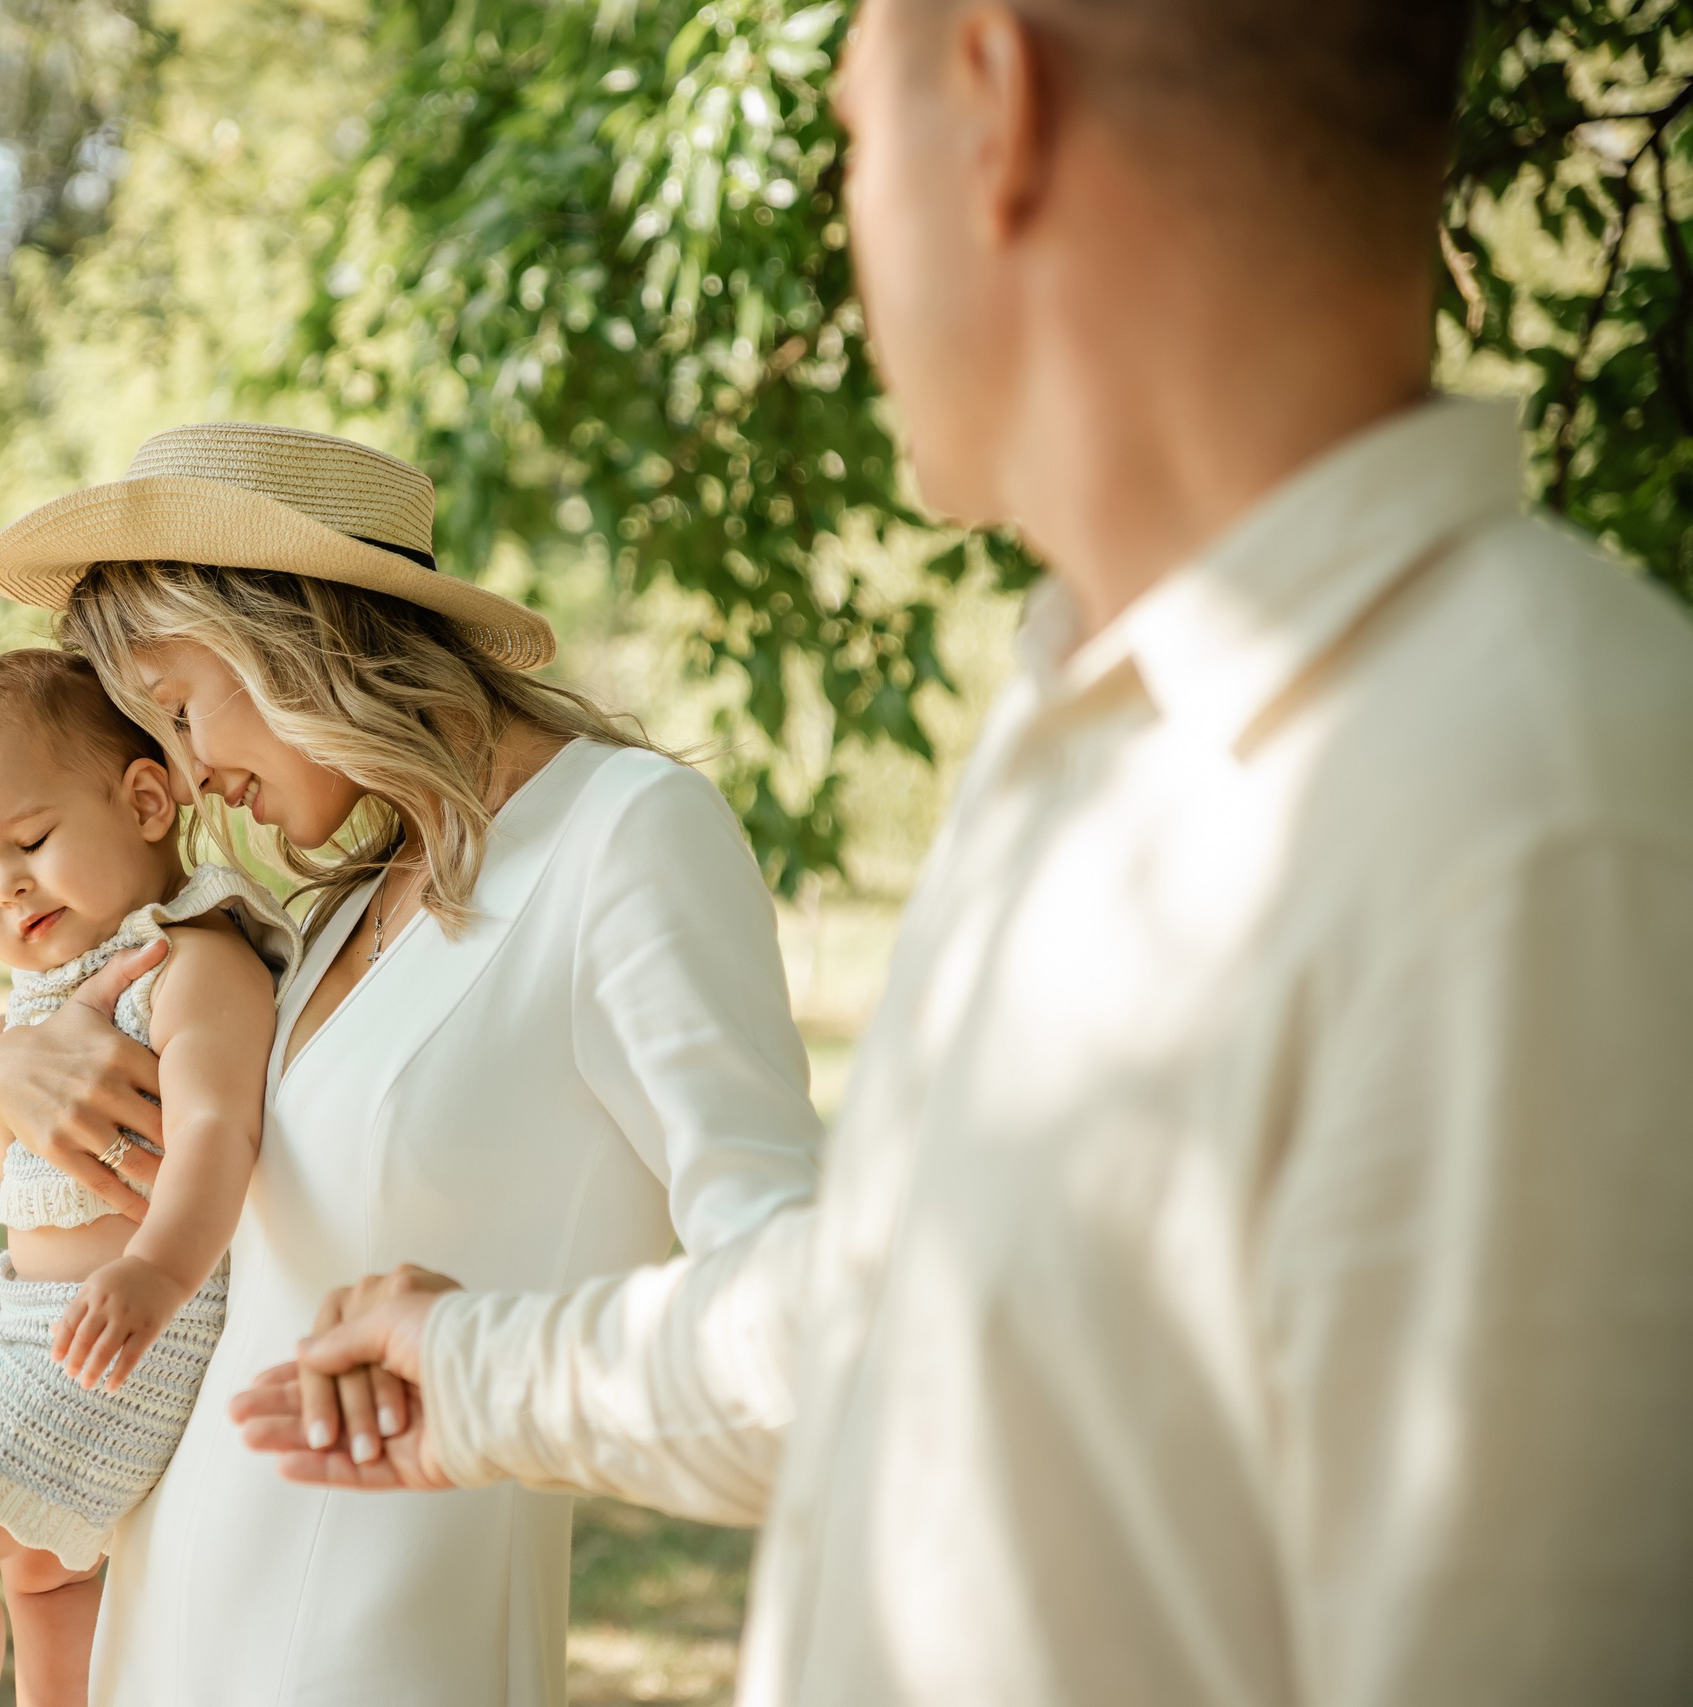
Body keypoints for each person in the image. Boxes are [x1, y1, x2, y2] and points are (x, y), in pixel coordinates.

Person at [236, 1, 1693, 1703]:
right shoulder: (1091, 736)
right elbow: (901, 1328)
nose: (853, 230)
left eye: (856, 135)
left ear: (992, 102)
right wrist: (472, 1370)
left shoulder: (1542, 820)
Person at [0, 420, 827, 1705]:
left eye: (183, 710)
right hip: (164, 1642)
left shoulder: (627, 835)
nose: (190, 778)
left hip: (378, 1663)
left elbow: (794, 1308)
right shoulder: (335, 910)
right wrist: (9, 1079)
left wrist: (482, 1363)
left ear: (290, 638)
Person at [0, 649, 300, 1707]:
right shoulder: (76, 973)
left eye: (29, 843)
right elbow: (52, 1053)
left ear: (148, 799)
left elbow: (211, 1134)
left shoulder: (194, 960)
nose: (5, 889)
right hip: (50, 1326)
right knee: (45, 1578)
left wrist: (153, 1271)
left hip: (122, 1337)